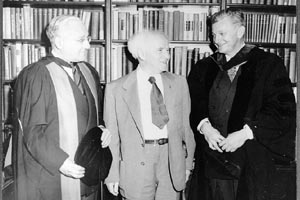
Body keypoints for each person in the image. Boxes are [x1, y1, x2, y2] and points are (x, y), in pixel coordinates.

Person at [187, 9, 296, 200]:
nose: (216, 40)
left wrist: (246, 133)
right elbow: (194, 103)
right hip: (212, 161)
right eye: (213, 34)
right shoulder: (204, 67)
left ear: (240, 31)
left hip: (251, 161)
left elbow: (282, 109)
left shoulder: (268, 64)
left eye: (222, 34)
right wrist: (205, 127)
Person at [13, 15, 111, 200]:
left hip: (89, 178)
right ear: (58, 42)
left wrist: (103, 129)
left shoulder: (89, 72)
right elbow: (32, 131)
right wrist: (62, 162)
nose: (88, 46)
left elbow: (95, 116)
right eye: (81, 40)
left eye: (87, 39)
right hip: (54, 179)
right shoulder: (38, 74)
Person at [104, 31, 196, 200]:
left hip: (171, 161)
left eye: (168, 50)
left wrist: (187, 163)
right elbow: (112, 137)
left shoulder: (179, 83)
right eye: (160, 50)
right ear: (141, 54)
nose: (167, 56)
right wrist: (112, 175)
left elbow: (186, 127)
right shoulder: (115, 89)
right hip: (135, 165)